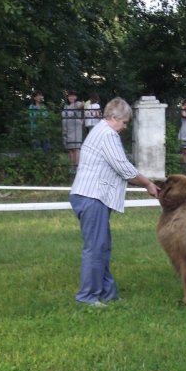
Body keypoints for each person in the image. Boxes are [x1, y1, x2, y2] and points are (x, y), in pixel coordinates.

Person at [69, 97, 159, 306]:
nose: (124, 127)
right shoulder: (107, 134)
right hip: (92, 197)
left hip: (92, 197)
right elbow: (123, 167)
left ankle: (108, 294)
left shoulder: (100, 131)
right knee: (95, 248)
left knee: (102, 247)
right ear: (113, 117)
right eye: (124, 122)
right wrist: (147, 184)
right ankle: (87, 297)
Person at [61, 90, 84, 169]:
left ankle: (77, 167)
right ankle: (71, 167)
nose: (71, 97)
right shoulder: (66, 106)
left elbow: (81, 105)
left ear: (76, 97)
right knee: (70, 149)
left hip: (76, 129)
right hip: (67, 129)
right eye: (70, 96)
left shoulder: (77, 104)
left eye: (73, 96)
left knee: (76, 148)